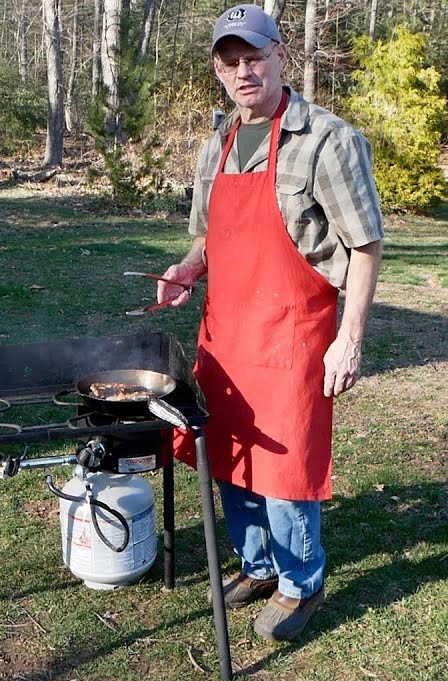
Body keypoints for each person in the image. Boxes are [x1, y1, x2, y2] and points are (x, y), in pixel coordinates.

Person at [162, 4, 384, 642]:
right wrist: (185, 270)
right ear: (219, 70)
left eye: (253, 56)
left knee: (286, 467)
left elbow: (365, 245)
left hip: (293, 332)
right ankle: (257, 565)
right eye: (229, 61)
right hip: (227, 333)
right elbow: (208, 236)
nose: (243, 71)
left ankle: (299, 583)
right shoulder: (219, 141)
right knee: (230, 453)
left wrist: (350, 338)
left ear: (281, 54)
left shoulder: (327, 138)